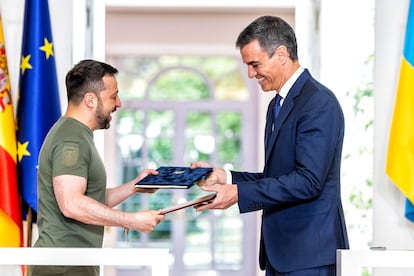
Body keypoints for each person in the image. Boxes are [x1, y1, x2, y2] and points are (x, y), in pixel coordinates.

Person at [192, 16, 349, 276]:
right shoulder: (277, 105)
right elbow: (279, 178)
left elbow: (308, 181)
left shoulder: (318, 102)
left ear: (281, 54)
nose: (251, 74)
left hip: (309, 256)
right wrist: (225, 177)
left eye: (255, 64)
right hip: (281, 255)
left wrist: (238, 194)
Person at [30, 59, 165, 276]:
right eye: (113, 96)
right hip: (63, 269)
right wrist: (130, 220)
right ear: (90, 100)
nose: (119, 103)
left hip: (75, 266)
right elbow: (72, 204)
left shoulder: (77, 134)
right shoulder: (70, 140)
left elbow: (89, 198)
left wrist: (135, 186)